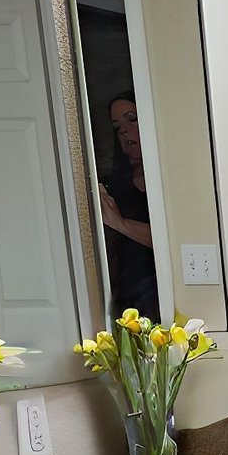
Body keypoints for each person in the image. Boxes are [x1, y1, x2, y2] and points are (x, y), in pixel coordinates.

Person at [97, 90, 160, 320]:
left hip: (165, 296)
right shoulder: (115, 188)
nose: (123, 130)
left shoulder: (167, 184)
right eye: (117, 126)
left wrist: (121, 224)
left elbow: (170, 241)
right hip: (126, 304)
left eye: (132, 119)